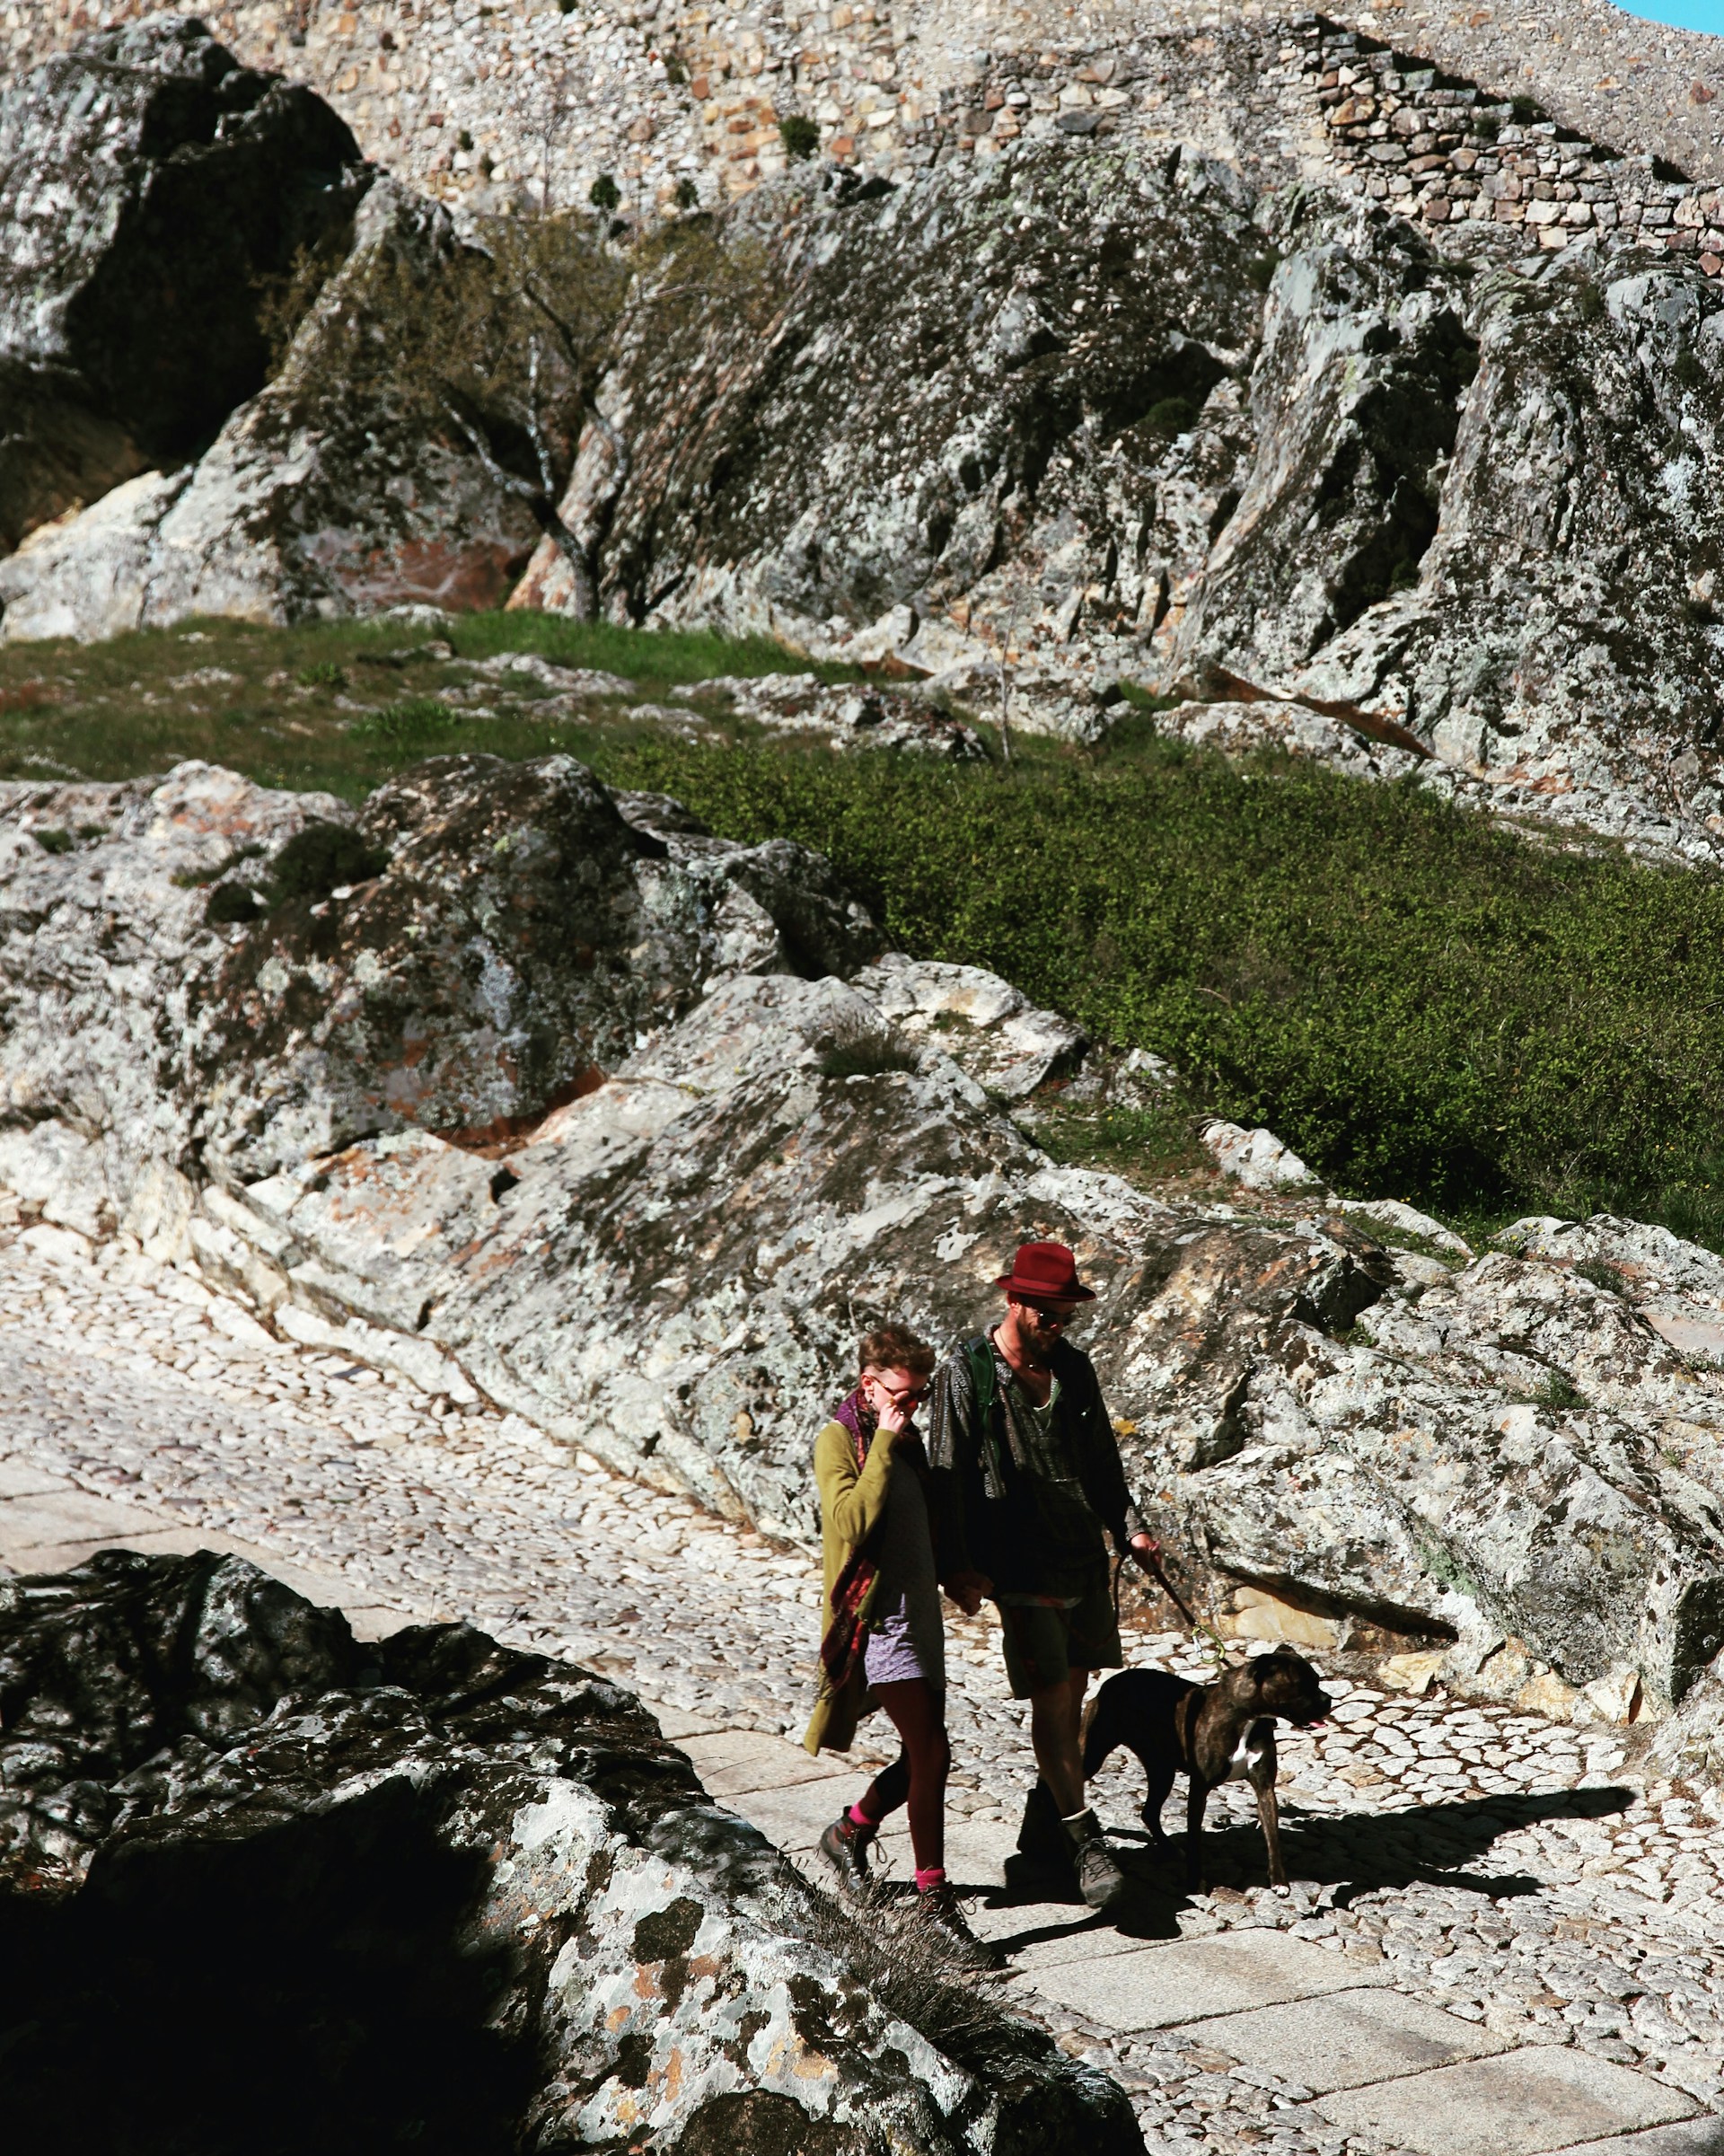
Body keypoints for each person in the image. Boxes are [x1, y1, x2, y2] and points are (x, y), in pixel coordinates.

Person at [926, 1239, 1157, 1912]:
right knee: (1055, 1698)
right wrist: (957, 1567)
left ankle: (1045, 1820)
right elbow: (947, 1478)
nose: (1058, 1328)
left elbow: (1102, 1462)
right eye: (1047, 1316)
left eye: (1066, 1317)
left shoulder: (1074, 1370)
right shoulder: (967, 1372)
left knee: (1075, 1696)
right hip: (1018, 1566)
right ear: (1014, 1300)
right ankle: (1086, 1845)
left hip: (1082, 1557)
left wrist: (1131, 1526)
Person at [803, 1323, 991, 1958]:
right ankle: (934, 1905)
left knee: (919, 1757)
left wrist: (958, 1574)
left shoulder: (906, 1445)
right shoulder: (841, 1441)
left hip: (921, 1621)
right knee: (933, 1753)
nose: (912, 1408)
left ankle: (850, 1830)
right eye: (901, 1396)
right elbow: (853, 1521)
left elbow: (921, 1528)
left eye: (919, 1397)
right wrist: (884, 1434)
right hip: (877, 1623)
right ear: (870, 1384)